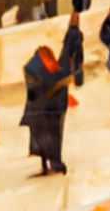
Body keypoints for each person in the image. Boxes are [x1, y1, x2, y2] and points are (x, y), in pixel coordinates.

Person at [20, 46, 73, 175]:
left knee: (48, 137)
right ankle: (53, 164)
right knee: (49, 138)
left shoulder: (35, 68)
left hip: (48, 109)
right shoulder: (34, 69)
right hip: (45, 110)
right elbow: (36, 89)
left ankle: (51, 164)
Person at [60, 12, 85, 87]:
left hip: (70, 54)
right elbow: (78, 44)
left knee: (72, 69)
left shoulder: (69, 31)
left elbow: (65, 42)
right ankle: (78, 83)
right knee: (77, 69)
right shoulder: (77, 32)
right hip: (75, 54)